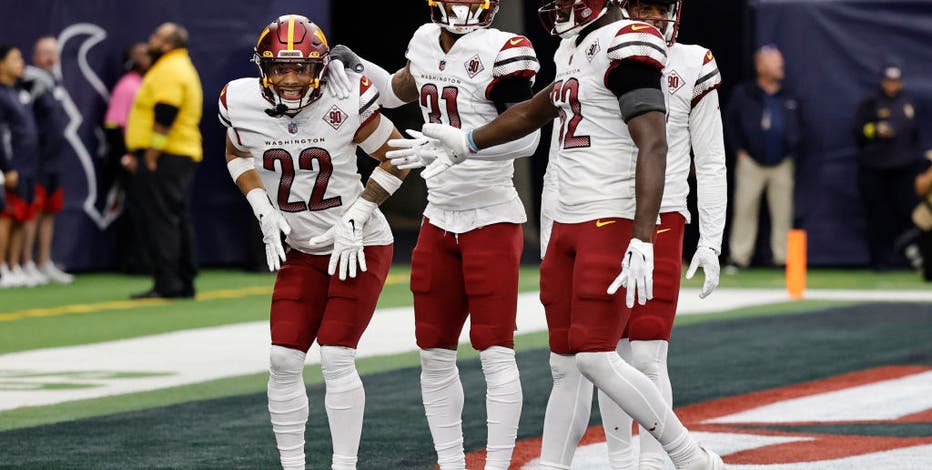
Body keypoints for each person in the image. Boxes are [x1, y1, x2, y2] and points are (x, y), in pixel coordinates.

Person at [389, 1, 723, 468]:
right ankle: (554, 464)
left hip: (608, 213)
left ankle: (689, 456)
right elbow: (532, 112)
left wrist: (644, 236)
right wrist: (466, 142)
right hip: (568, 217)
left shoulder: (627, 42)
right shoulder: (574, 46)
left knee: (594, 356)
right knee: (565, 363)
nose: (559, 7)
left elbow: (654, 141)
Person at [329, 1, 541, 468]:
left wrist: (458, 146)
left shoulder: (503, 48)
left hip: (491, 215)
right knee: (434, 353)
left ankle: (498, 463)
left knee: (495, 353)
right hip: (439, 218)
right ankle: (450, 462)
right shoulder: (426, 39)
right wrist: (357, 64)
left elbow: (526, 138)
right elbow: (395, 92)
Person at [219, 14, 410, 470]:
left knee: (337, 357)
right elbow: (236, 150)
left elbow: (398, 157)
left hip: (357, 245)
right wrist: (263, 209)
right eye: (280, 67)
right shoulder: (240, 100)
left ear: (322, 67)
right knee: (283, 360)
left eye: (302, 67)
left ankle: (343, 465)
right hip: (302, 250)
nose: (290, 78)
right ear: (261, 67)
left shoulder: (344, 98)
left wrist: (358, 214)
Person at [125, 22, 203, 298]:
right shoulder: (178, 66)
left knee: (163, 219)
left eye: (156, 37)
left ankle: (168, 282)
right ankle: (183, 281)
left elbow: (166, 111)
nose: (151, 40)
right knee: (176, 217)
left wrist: (152, 152)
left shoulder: (169, 68)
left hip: (167, 154)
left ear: (168, 45)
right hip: (178, 152)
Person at [724, 44, 800, 271]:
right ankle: (739, 257)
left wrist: (792, 148)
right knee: (744, 209)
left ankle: (783, 258)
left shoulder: (788, 95)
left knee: (783, 212)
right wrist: (739, 149)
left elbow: (799, 126)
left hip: (781, 162)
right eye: (775, 62)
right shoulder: (744, 93)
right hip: (751, 162)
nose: (781, 66)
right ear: (760, 66)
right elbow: (730, 123)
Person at [854, 61, 924, 270]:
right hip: (876, 168)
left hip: (904, 168)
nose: (892, 85)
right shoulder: (871, 103)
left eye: (896, 81)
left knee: (911, 215)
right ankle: (880, 261)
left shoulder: (909, 102)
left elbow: (916, 135)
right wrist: (875, 130)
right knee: (877, 216)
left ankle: (914, 260)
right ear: (883, 82)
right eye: (888, 81)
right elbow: (858, 132)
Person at [20, 36, 72, 285]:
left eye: (53, 53)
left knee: (49, 211)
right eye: (44, 53)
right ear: (34, 56)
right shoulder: (29, 83)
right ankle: (25, 263)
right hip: (36, 160)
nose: (50, 58)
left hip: (56, 160)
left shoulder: (55, 83)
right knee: (33, 211)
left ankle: (43, 261)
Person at [104, 43, 153, 273]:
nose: (149, 57)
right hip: (132, 157)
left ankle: (147, 260)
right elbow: (113, 125)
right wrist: (126, 155)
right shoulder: (128, 86)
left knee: (148, 210)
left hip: (146, 155)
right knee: (137, 210)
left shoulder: (150, 83)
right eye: (143, 54)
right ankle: (135, 262)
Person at [0, 45, 40, 289]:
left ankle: (13, 266)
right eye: (15, 59)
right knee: (5, 217)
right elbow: (1, 134)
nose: (21, 63)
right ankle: (2, 266)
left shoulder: (17, 92)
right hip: (10, 167)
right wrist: (7, 166)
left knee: (20, 217)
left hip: (26, 164)